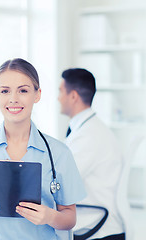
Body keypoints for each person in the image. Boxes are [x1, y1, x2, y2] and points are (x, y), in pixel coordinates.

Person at [0, 58, 86, 239]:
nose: (13, 99)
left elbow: (70, 217)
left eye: (23, 90)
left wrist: (50, 216)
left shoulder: (59, 153)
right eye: (5, 91)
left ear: (37, 94)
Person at [58, 68, 125, 239]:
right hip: (94, 224)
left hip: (100, 230)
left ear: (73, 96)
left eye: (61, 92)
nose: (58, 98)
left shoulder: (89, 136)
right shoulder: (87, 129)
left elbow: (64, 183)